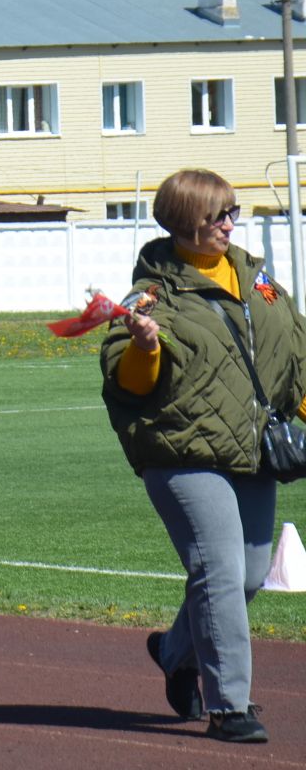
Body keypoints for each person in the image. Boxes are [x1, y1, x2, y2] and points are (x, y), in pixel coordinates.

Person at [103, 170, 306, 744]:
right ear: (184, 221)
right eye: (216, 215)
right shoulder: (151, 293)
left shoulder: (257, 278)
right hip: (182, 451)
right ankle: (228, 705)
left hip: (251, 449)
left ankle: (175, 652)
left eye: (232, 211)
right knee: (216, 571)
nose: (228, 223)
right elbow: (128, 382)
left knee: (244, 577)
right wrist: (144, 348)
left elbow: (293, 357)